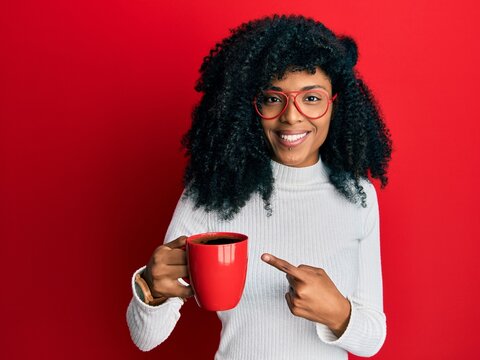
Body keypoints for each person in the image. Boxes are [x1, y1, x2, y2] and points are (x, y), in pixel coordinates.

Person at [126, 14, 392, 359]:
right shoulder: (212, 194)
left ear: (335, 106)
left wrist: (338, 313)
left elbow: (373, 339)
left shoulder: (358, 198)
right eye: (273, 98)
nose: (292, 117)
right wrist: (152, 288)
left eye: (311, 98)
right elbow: (144, 338)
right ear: (249, 106)